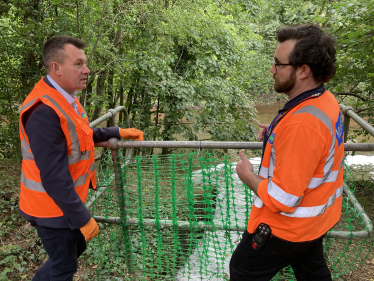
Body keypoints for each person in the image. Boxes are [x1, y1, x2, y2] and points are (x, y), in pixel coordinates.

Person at [18, 35, 144, 281]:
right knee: (64, 267)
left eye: (84, 63)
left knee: (72, 252)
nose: (87, 70)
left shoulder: (65, 98)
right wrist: (82, 218)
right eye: (78, 64)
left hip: (61, 205)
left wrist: (115, 132)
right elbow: (54, 177)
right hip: (51, 209)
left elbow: (79, 135)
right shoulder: (44, 111)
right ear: (56, 68)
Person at [230, 24, 345, 281]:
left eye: (278, 64)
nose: (272, 70)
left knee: (242, 270)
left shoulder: (302, 125)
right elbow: (313, 147)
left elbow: (282, 198)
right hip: (314, 223)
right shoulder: (324, 100)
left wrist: (247, 175)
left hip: (284, 230)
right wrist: (274, 131)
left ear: (303, 70)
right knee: (313, 275)